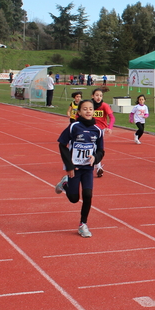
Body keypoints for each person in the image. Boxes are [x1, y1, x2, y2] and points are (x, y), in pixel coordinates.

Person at [55, 99, 105, 238]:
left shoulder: (98, 131)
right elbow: (62, 145)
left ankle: (83, 224)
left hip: (88, 169)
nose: (88, 111)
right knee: (73, 199)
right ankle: (65, 184)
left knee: (88, 195)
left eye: (90, 109)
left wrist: (96, 158)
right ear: (79, 112)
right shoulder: (74, 127)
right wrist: (69, 166)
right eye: (85, 109)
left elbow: (101, 150)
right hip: (74, 168)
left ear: (94, 111)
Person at [90, 88, 114, 177]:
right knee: (92, 147)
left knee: (96, 147)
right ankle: (97, 166)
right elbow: (79, 114)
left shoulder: (104, 105)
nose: (98, 97)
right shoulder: (89, 105)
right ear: (92, 96)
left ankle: (98, 167)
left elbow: (112, 117)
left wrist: (110, 127)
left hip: (100, 130)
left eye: (100, 95)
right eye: (96, 95)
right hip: (90, 129)